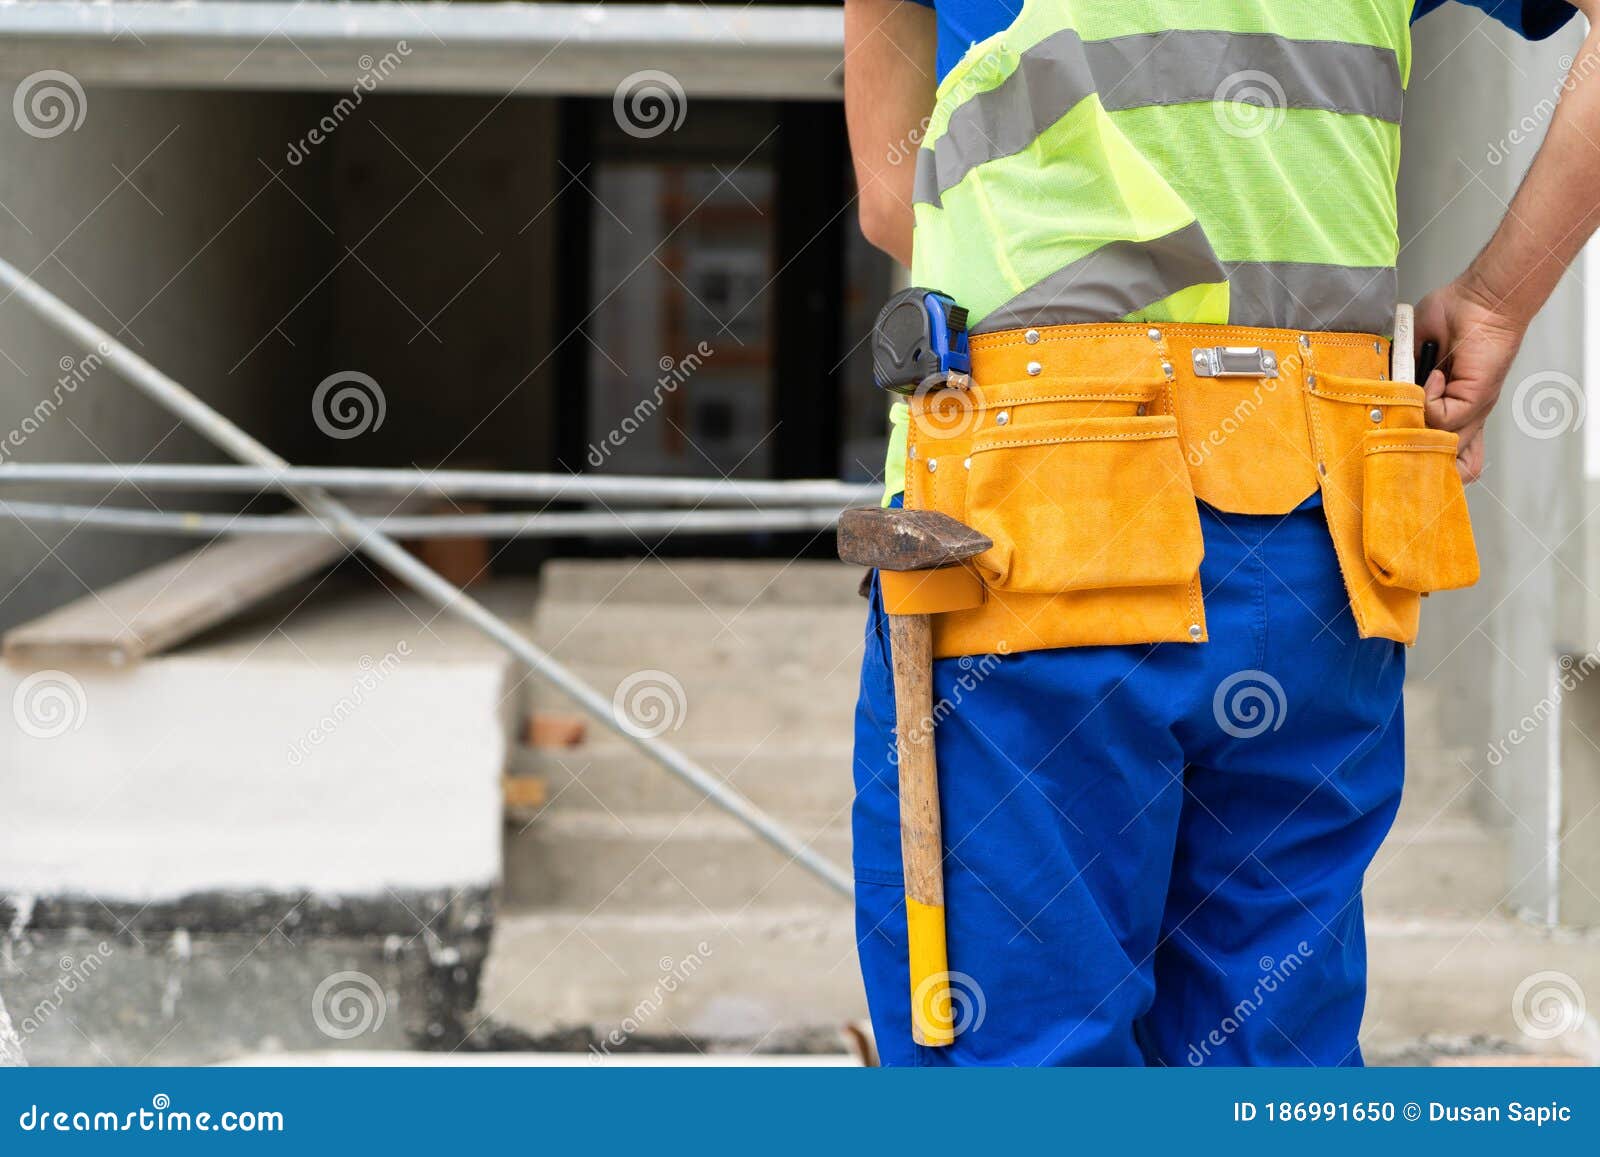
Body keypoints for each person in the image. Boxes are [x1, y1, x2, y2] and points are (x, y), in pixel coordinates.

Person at [843, 0, 1593, 1065]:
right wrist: (1497, 300)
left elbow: (891, 203)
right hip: (1313, 520)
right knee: (1269, 1064)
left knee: (1018, 1064)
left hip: (1046, 510)